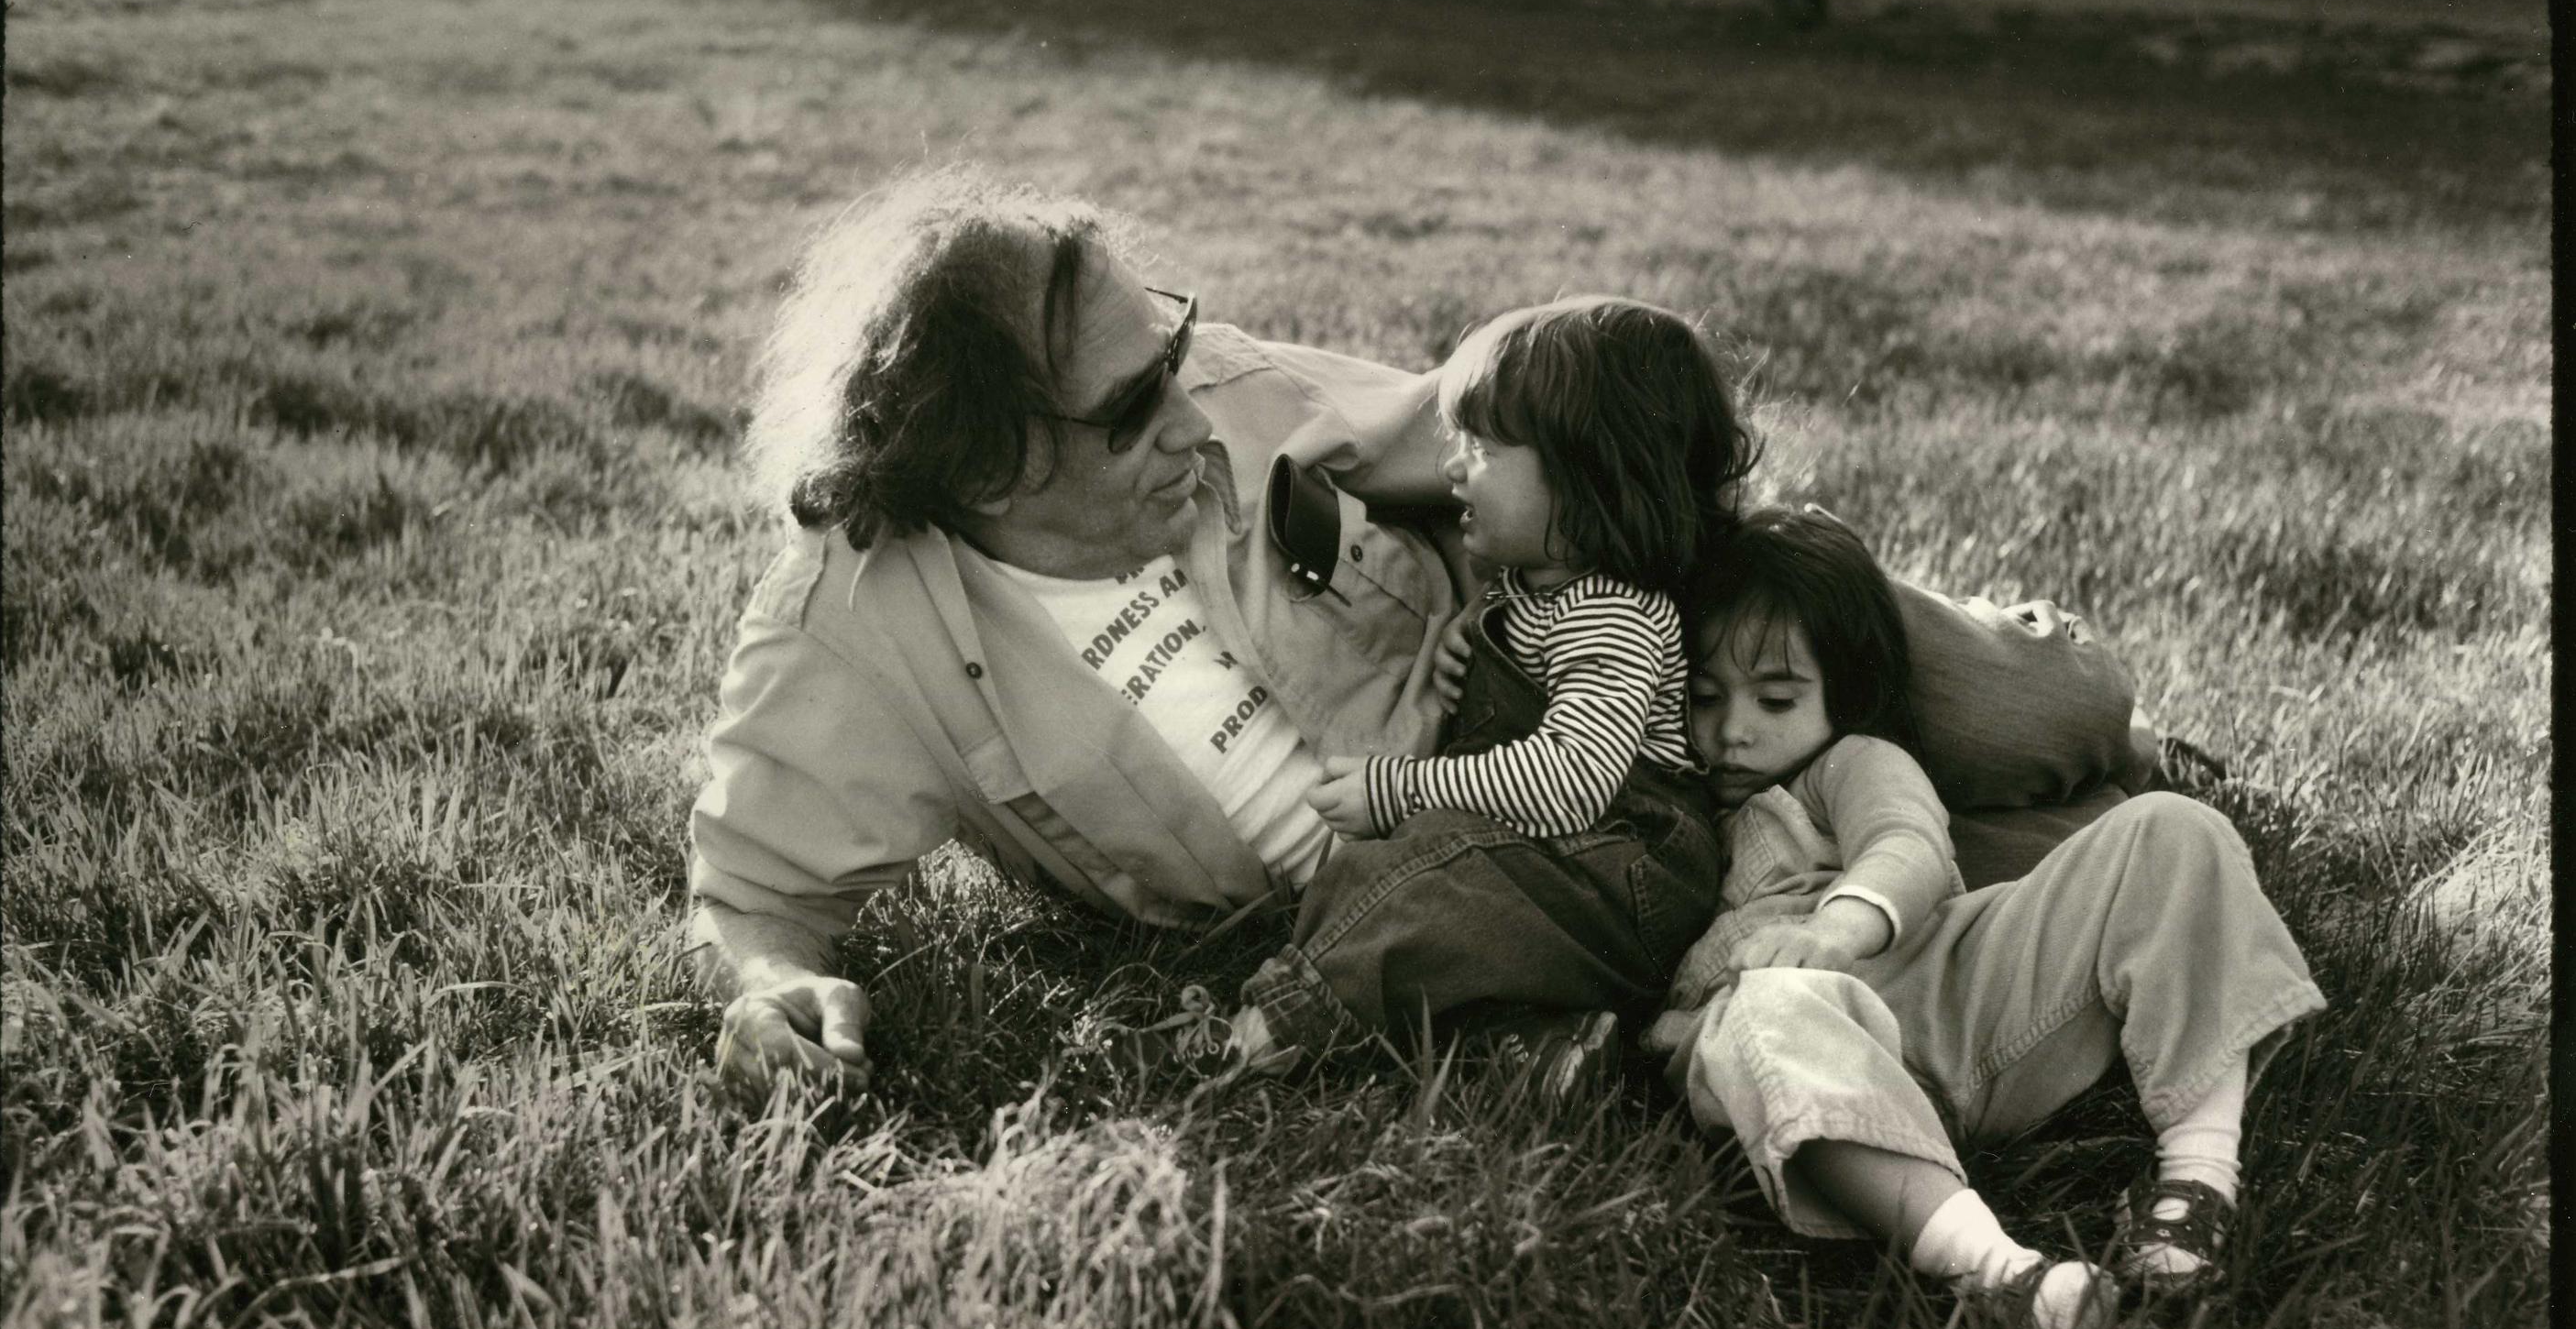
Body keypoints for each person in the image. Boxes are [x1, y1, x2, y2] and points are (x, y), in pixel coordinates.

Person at [688, 163, 2159, 1095]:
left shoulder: (1241, 400)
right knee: (1951, 880)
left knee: (2030, 718)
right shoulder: (852, 629)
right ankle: (2149, 844)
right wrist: (772, 984)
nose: (1194, 414)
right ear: (992, 461)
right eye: (1135, 405)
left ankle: (2136, 740)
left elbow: (1468, 436)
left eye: (1177, 353)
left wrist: (1713, 568)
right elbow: (754, 890)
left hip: (1592, 635)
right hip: (1489, 856)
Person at [1642, 506, 2327, 1329]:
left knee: (2173, 832)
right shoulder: (1670, 787)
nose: (1733, 728)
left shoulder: (1846, 763)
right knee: (1755, 1016)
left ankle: (2198, 1181)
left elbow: (1907, 844)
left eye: (1776, 697)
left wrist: (1836, 931)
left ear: (1847, 696)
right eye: (1703, 697)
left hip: (1957, 992)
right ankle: (2010, 1278)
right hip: (1821, 1058)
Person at [1210, 298, 1745, 1077]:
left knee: (1422, 884)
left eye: (1485, 449)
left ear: (1589, 473)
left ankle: (1272, 1026)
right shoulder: (1537, 592)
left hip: (1623, 870)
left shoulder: (1614, 614)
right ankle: (1533, 1050)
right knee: (1401, 882)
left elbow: (1568, 783)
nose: (1453, 466)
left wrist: (1398, 788)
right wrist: (1478, 638)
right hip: (1573, 873)